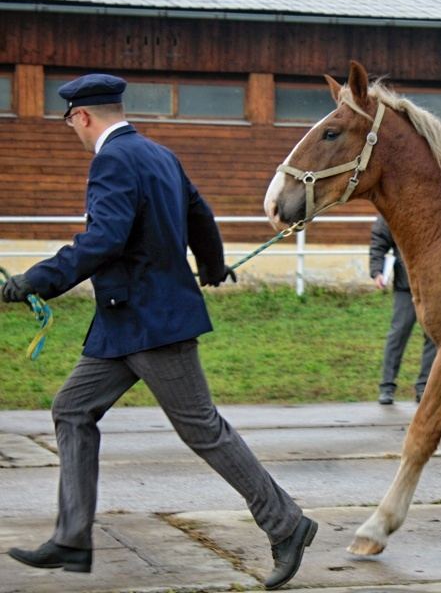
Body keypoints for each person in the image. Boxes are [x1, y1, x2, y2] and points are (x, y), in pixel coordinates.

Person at [0, 74, 315, 589]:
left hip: (151, 322)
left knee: (202, 430)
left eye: (72, 125)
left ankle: (286, 523)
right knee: (72, 409)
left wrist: (38, 278)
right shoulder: (158, 155)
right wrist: (212, 267)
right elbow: (200, 214)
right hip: (124, 322)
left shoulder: (111, 160)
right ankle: (73, 537)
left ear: (81, 116)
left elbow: (104, 238)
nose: (75, 135)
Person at [369, 215, 437, 405]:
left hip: (435, 289)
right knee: (398, 335)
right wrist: (377, 271)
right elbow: (379, 241)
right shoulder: (391, 211)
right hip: (405, 287)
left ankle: (425, 387)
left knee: (434, 338)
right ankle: (387, 386)